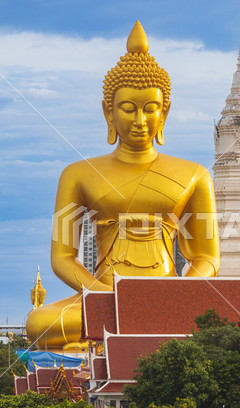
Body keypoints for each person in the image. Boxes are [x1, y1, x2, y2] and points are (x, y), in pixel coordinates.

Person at [26, 21, 220, 350]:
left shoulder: (195, 174)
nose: (139, 120)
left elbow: (207, 257)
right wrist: (109, 297)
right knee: (39, 325)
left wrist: (179, 293)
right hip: (105, 295)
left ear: (165, 112)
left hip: (167, 295)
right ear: (109, 112)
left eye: (151, 109)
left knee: (232, 318)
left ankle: (100, 342)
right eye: (128, 109)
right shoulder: (77, 174)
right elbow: (63, 258)